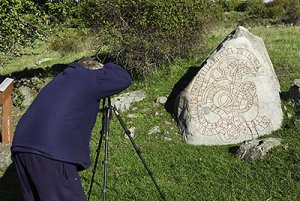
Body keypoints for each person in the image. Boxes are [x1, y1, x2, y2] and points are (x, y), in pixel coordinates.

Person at [11, 57, 132, 201]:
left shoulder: (61, 79)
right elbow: (124, 78)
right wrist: (108, 65)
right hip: (50, 152)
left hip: (21, 146)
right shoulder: (89, 78)